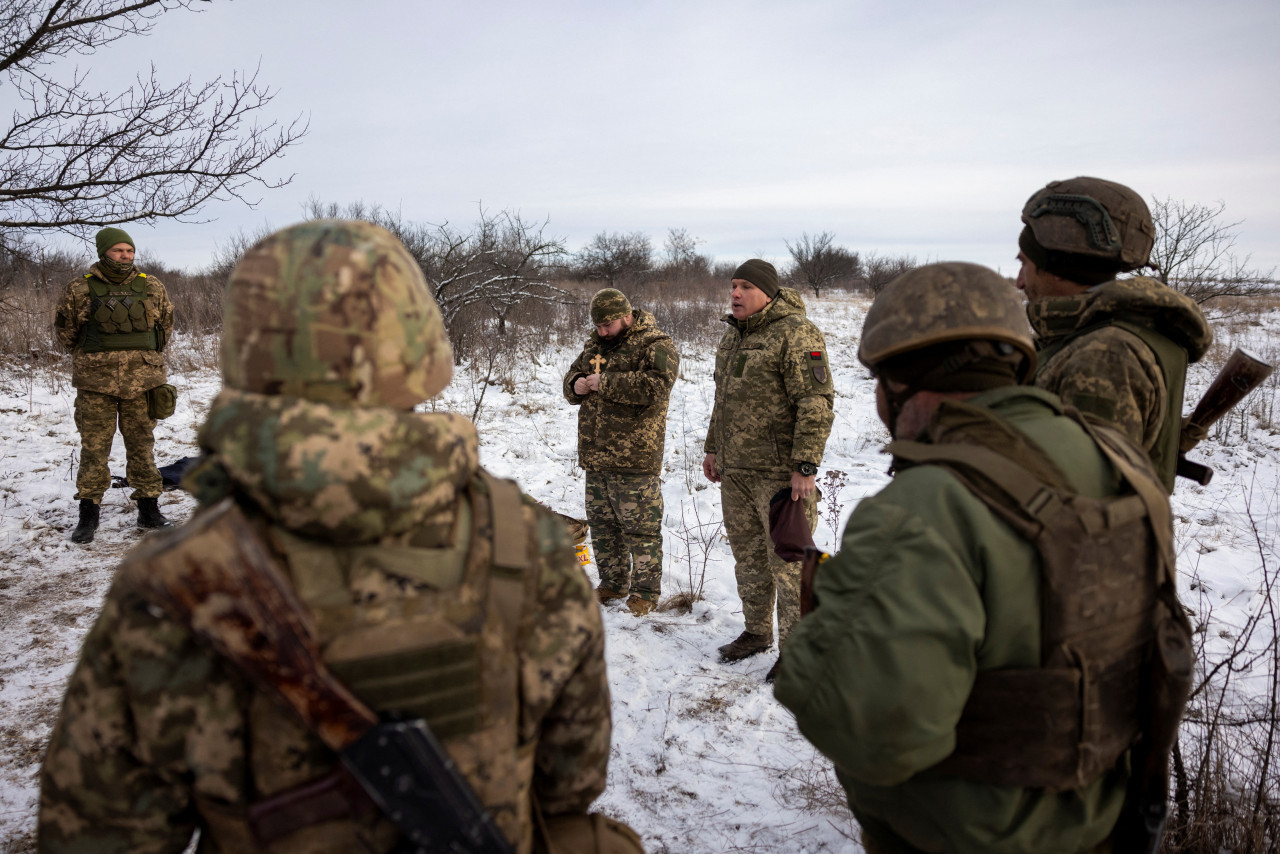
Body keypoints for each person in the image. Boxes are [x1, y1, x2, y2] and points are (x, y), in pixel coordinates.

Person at [39, 221, 641, 854]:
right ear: (419, 350)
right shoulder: (532, 545)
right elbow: (569, 783)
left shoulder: (172, 587)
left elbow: (97, 833)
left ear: (249, 353)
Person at [775, 262, 1189, 854]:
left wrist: (835, 613)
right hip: (1108, 823)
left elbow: (865, 731)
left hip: (972, 834)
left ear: (900, 380)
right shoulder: (1122, 462)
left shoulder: (922, 509)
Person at [1016, 176, 1213, 491]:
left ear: (1055, 267)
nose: (1019, 282)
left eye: (1023, 263)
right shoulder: (1119, 332)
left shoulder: (1103, 355)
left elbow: (1079, 505)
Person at [701, 259, 833, 672]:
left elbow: (816, 402)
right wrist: (712, 449)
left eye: (745, 287)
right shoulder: (733, 338)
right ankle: (757, 632)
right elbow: (722, 400)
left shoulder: (796, 332)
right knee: (749, 557)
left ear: (768, 292)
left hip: (780, 475)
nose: (735, 294)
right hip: (735, 471)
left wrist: (806, 464)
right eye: (733, 285)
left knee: (790, 565)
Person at [54, 226, 175, 542]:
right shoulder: (79, 289)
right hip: (96, 382)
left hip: (143, 380)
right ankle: (88, 516)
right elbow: (66, 332)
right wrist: (95, 357)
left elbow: (165, 327)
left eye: (129, 250)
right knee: (94, 448)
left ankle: (149, 511)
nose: (125, 256)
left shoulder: (152, 287)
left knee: (142, 444)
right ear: (103, 251)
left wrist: (141, 359)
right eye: (118, 250)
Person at [564, 288, 679, 617]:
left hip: (634, 456)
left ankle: (645, 592)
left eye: (608, 325)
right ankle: (613, 583)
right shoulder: (594, 344)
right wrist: (576, 384)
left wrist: (606, 383)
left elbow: (656, 386)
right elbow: (572, 376)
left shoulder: (656, 344)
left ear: (626, 316)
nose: (602, 332)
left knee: (640, 528)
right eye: (597, 326)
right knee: (602, 526)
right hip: (596, 456)